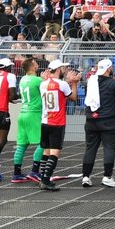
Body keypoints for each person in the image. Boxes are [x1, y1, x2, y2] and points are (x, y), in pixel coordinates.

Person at [81, 58, 115, 187]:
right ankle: (107, 176)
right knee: (109, 148)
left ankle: (85, 176)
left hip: (90, 119)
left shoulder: (91, 81)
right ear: (109, 69)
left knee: (90, 149)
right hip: (107, 120)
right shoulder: (112, 83)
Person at [38, 60, 77, 191]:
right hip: (57, 122)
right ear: (58, 69)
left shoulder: (43, 84)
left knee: (46, 151)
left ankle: (42, 177)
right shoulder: (62, 84)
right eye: (63, 68)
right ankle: (45, 180)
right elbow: (73, 98)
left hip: (45, 121)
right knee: (55, 152)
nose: (65, 70)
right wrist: (75, 83)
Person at [11, 58, 45, 181]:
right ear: (32, 67)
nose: (37, 64)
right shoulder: (37, 80)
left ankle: (16, 173)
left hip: (22, 113)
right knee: (43, 142)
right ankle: (35, 171)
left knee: (21, 145)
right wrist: (45, 79)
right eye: (35, 63)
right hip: (33, 114)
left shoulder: (23, 80)